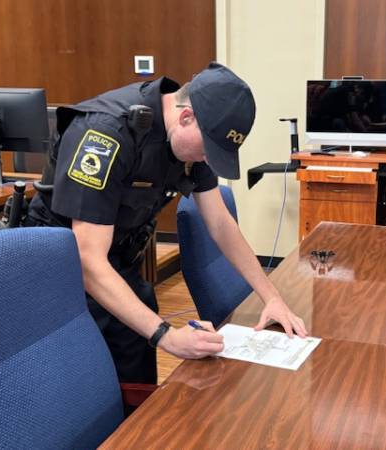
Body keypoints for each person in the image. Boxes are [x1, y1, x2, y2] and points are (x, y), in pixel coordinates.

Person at [25, 62, 307, 384]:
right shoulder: (106, 134)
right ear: (186, 117)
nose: (205, 161)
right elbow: (87, 259)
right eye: (206, 151)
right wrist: (167, 336)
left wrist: (272, 298)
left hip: (118, 261)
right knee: (88, 386)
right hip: (60, 277)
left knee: (138, 376)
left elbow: (220, 223)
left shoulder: (194, 140)